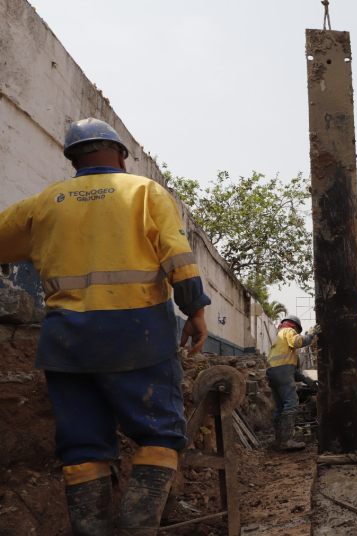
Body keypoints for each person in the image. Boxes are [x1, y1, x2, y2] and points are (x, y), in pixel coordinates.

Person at [0, 118, 211, 536]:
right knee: (159, 434)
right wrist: (195, 310)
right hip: (138, 337)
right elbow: (178, 256)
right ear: (121, 155)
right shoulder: (145, 192)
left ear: (72, 160)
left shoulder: (43, 203)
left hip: (66, 343)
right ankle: (137, 526)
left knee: (82, 447)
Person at [267, 314, 321, 450]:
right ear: (295, 327)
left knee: (281, 407)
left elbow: (289, 368)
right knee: (291, 404)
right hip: (282, 372)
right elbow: (298, 342)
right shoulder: (288, 330)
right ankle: (286, 441)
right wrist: (310, 335)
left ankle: (279, 440)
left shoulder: (279, 338)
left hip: (273, 373)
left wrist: (306, 380)